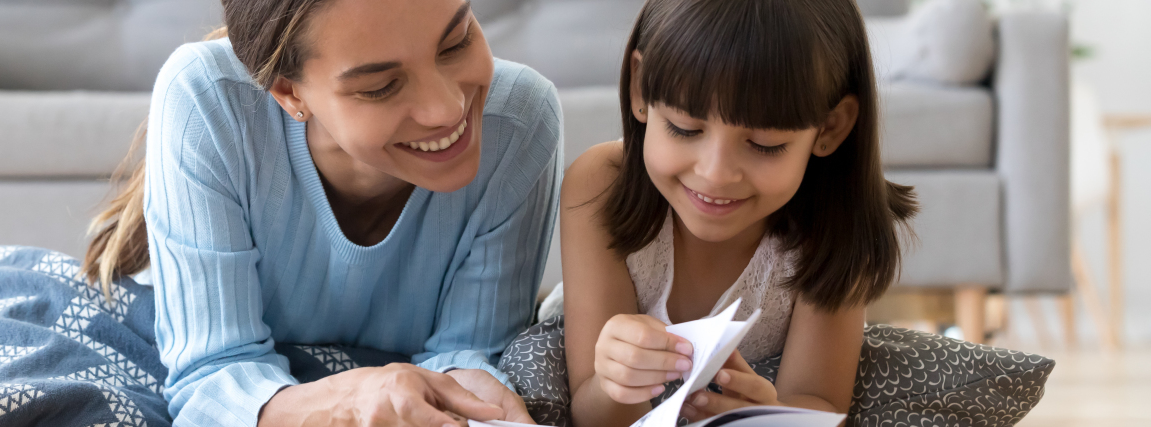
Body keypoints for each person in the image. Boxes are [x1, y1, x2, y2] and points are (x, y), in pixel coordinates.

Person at [83, 0, 562, 425]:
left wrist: (467, 394)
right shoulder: (207, 100)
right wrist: (350, 398)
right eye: (381, 86)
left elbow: (469, 351)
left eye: (456, 42)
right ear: (289, 93)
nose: (447, 108)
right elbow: (211, 375)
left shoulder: (519, 122)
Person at [558, 0, 918, 425]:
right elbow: (591, 412)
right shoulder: (602, 185)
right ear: (641, 88)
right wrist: (616, 380)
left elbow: (820, 403)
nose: (715, 175)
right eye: (684, 128)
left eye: (764, 145)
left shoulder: (832, 224)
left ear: (830, 127)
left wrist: (769, 416)